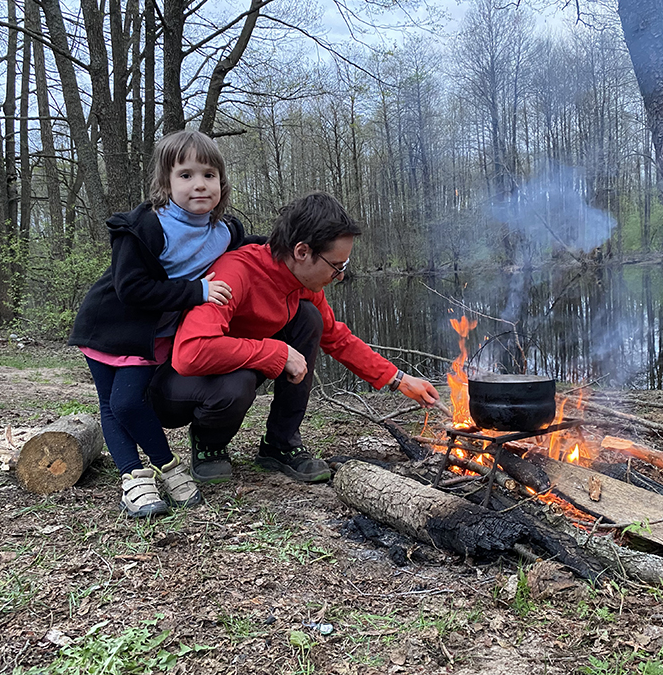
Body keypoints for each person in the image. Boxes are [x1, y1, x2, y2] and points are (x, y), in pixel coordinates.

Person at [148, 191, 441, 484]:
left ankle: (280, 443)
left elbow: (337, 338)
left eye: (344, 267)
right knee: (238, 383)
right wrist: (276, 352)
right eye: (336, 266)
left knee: (308, 319)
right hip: (173, 388)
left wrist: (399, 379)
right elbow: (191, 353)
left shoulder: (303, 284)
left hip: (236, 365)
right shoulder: (235, 272)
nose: (339, 276)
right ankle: (208, 445)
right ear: (302, 251)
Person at [69, 129, 245, 517]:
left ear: (222, 181)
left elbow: (254, 256)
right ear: (165, 181)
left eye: (209, 175)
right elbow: (131, 288)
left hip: (154, 336)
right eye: (185, 175)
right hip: (111, 325)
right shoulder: (147, 227)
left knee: (125, 404)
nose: (199, 184)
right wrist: (195, 293)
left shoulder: (226, 232)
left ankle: (155, 470)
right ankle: (146, 473)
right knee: (119, 405)